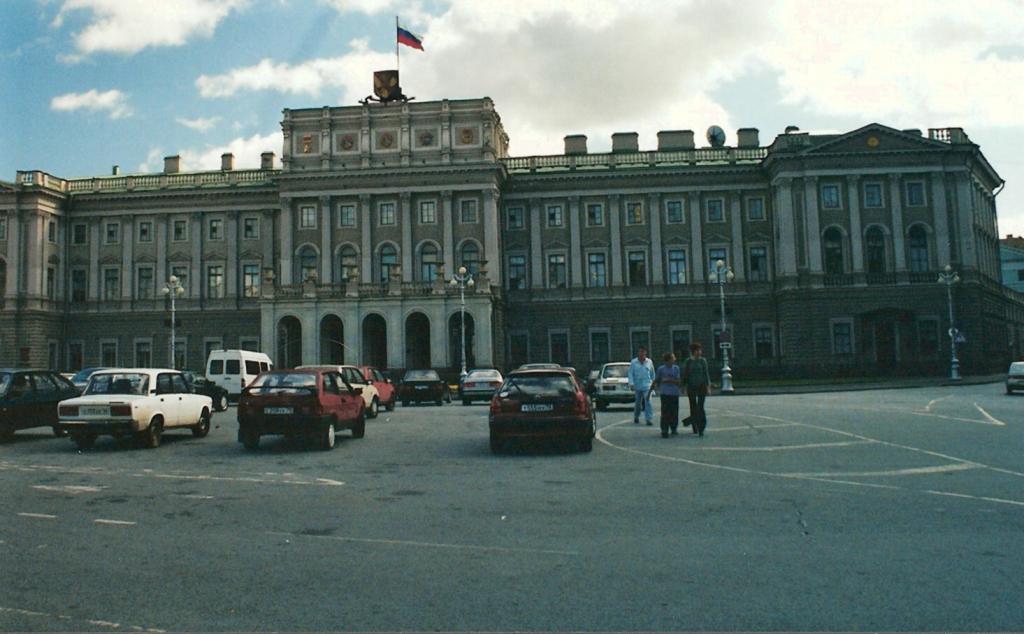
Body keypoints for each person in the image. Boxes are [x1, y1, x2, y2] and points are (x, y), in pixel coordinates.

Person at [682, 342, 712, 437]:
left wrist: (708, 387)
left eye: (700, 350)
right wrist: (684, 386)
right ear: (693, 351)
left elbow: (706, 374)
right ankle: (695, 426)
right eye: (697, 350)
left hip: (701, 386)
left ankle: (701, 427)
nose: (699, 352)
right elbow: (685, 375)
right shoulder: (688, 362)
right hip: (691, 386)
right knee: (693, 407)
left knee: (701, 407)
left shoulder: (703, 361)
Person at [651, 352, 680, 438]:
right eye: (673, 358)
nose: (674, 359)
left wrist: (668, 380)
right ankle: (664, 429)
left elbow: (678, 381)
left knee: (674, 411)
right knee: (665, 412)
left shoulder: (676, 369)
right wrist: (651, 390)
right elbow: (657, 379)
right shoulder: (661, 369)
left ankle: (674, 428)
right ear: (668, 360)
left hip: (674, 393)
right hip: (665, 393)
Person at [627, 346, 655, 426]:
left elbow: (652, 373)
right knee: (638, 403)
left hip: (647, 385)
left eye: (643, 352)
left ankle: (648, 419)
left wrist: (654, 384)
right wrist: (631, 383)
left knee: (648, 401)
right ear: (638, 353)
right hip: (637, 385)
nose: (641, 354)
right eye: (640, 352)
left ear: (645, 353)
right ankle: (636, 416)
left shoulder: (649, 362)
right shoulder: (634, 362)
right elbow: (630, 373)